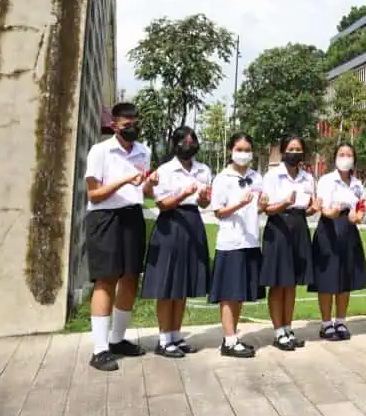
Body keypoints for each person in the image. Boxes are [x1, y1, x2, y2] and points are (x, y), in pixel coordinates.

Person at [83, 102, 155, 371]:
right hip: (105, 218)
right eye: (127, 125)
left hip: (133, 216)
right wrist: (125, 180)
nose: (132, 128)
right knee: (106, 279)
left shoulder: (143, 151)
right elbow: (94, 193)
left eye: (136, 123)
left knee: (130, 277)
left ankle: (118, 339)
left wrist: (150, 184)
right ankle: (99, 350)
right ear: (114, 125)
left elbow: (143, 189)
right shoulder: (100, 151)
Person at [141, 125, 212, 358]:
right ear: (176, 144)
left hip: (193, 222)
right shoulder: (166, 170)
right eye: (184, 142)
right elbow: (161, 203)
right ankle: (163, 339)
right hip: (170, 224)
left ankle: (176, 334)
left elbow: (203, 204)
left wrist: (202, 198)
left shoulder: (203, 170)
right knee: (167, 283)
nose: (188, 146)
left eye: (192, 142)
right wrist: (183, 193)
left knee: (182, 283)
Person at [208, 133, 266, 359]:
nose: (243, 154)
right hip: (231, 242)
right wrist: (239, 203)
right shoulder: (223, 178)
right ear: (232, 151)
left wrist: (261, 205)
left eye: (247, 149)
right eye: (239, 149)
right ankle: (229, 340)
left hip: (251, 241)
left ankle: (232, 337)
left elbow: (258, 209)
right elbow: (219, 212)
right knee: (229, 292)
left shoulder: (256, 177)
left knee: (240, 292)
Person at [260, 134, 316, 351]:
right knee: (278, 282)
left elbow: (307, 208)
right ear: (283, 151)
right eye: (290, 149)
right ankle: (277, 331)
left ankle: (288, 327)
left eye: (298, 149)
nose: (295, 153)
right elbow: (267, 209)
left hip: (299, 228)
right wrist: (284, 203)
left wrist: (313, 208)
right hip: (278, 227)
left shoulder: (307, 178)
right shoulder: (273, 176)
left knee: (291, 282)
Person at [310, 143, 366, 341]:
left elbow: (361, 206)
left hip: (349, 229)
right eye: (341, 154)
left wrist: (359, 216)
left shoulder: (357, 183)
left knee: (345, 277)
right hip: (328, 228)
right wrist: (329, 212)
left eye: (349, 154)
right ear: (335, 158)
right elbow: (321, 207)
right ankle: (326, 323)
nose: (345, 157)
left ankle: (341, 321)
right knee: (327, 278)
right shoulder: (327, 180)